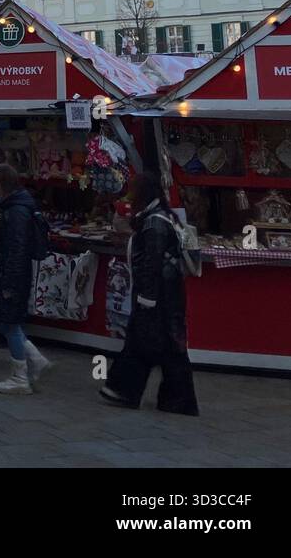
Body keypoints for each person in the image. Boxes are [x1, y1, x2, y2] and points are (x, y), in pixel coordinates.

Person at [100, 172, 199, 415]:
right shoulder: (163, 218)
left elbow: (151, 263)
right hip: (168, 296)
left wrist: (147, 297)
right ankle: (175, 398)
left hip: (159, 297)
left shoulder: (154, 223)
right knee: (167, 347)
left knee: (144, 342)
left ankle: (125, 390)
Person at [0, 163, 52, 395]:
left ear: (3, 184)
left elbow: (16, 248)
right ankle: (34, 359)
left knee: (8, 323)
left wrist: (8, 281)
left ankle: (20, 376)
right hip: (9, 272)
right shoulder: (13, 207)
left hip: (11, 274)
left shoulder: (15, 211)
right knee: (1, 319)